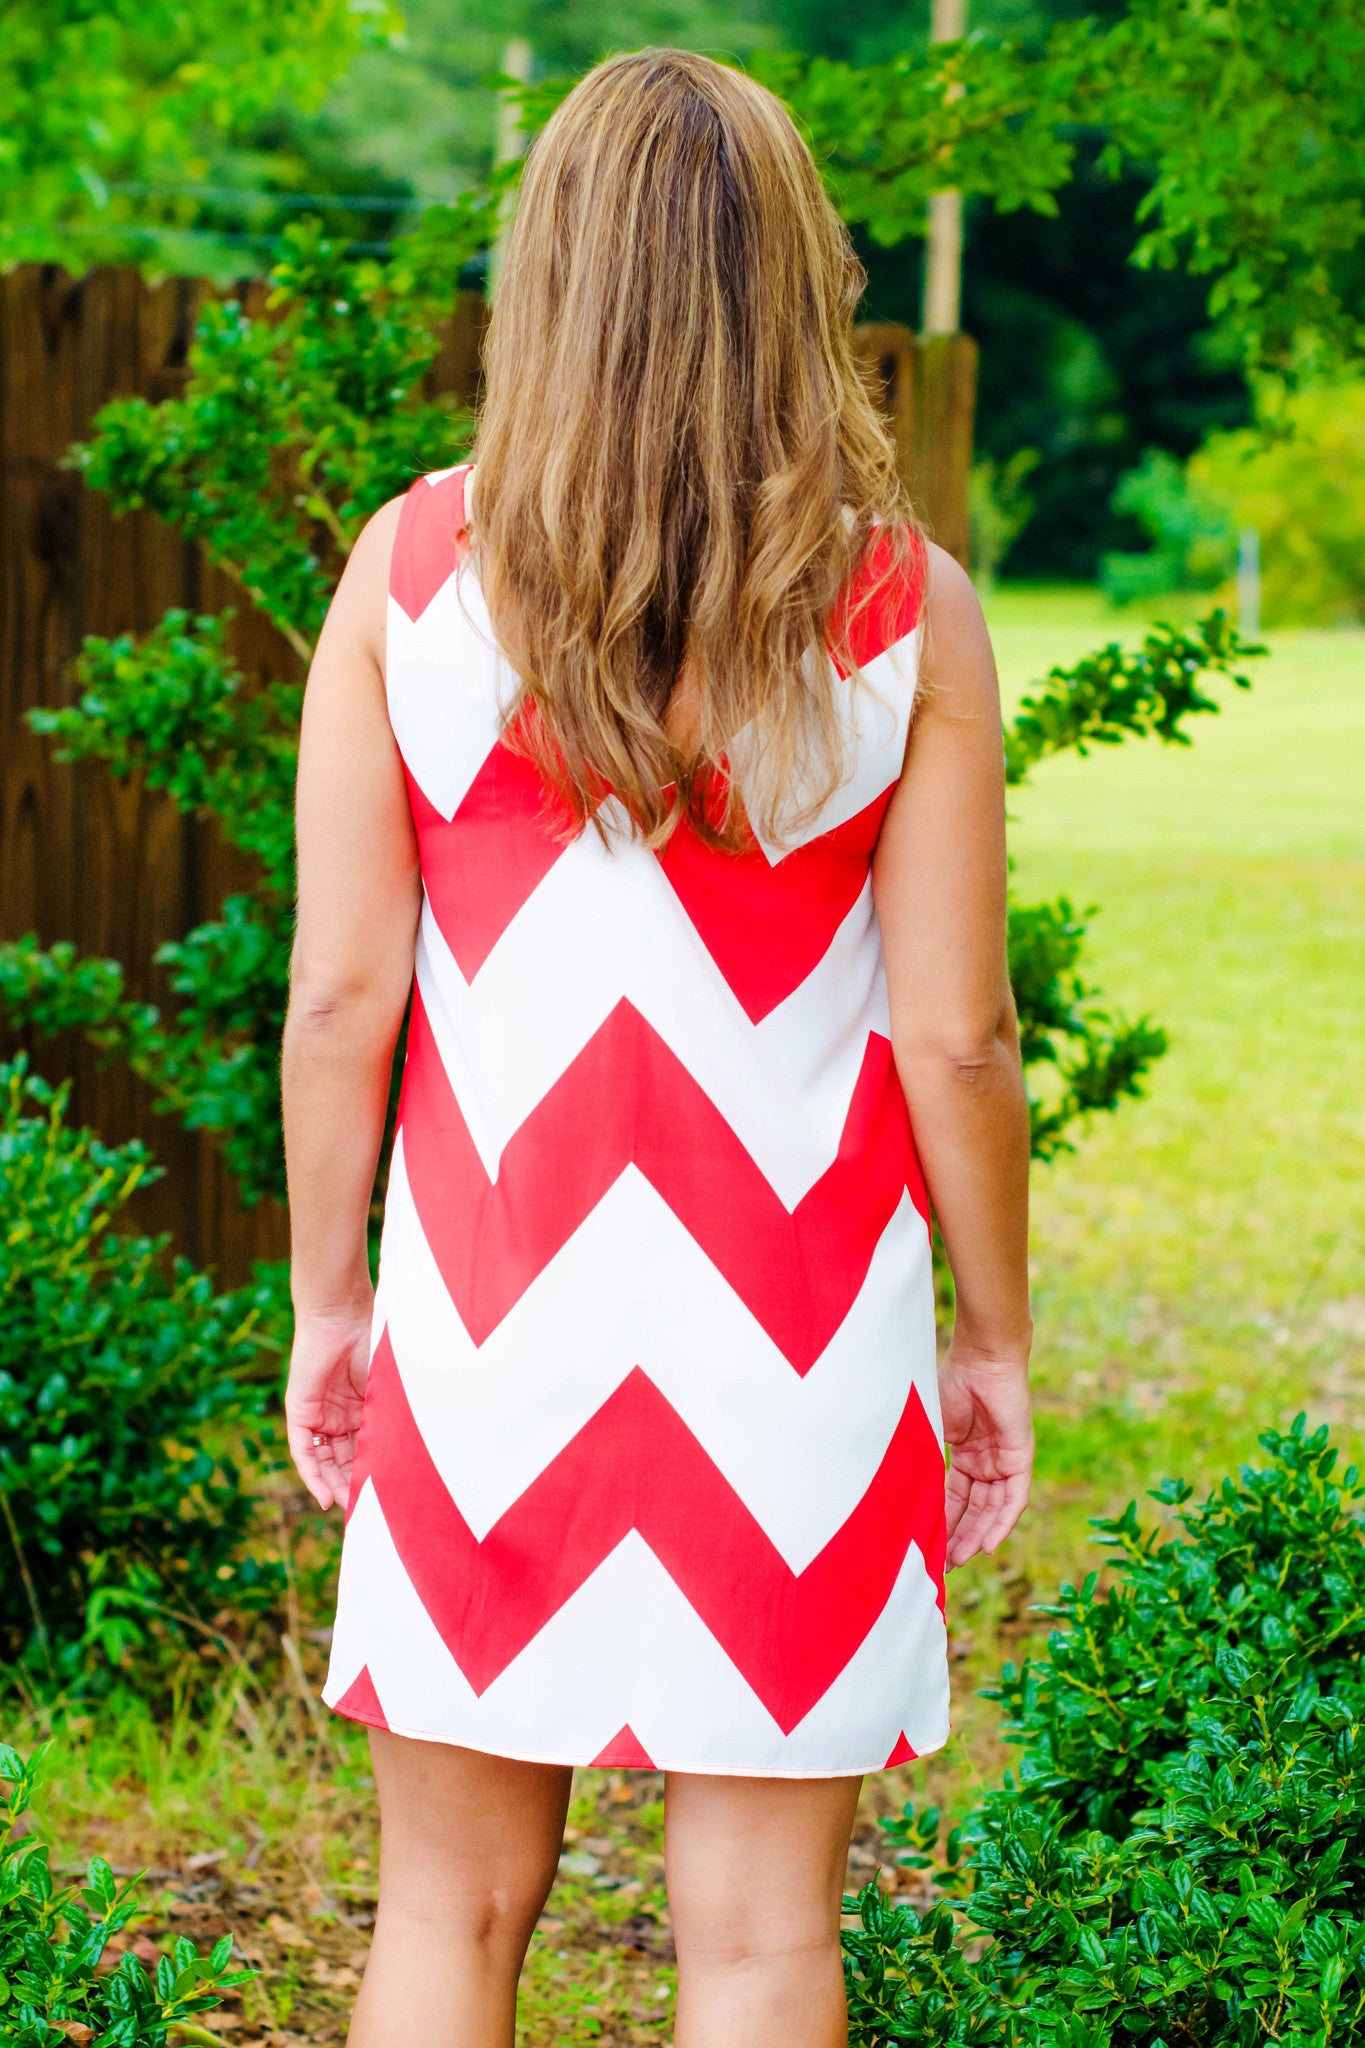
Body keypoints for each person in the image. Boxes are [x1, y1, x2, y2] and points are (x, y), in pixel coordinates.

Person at [280, 45, 1033, 2048]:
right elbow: (956, 1035)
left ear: (551, 278)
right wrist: (990, 1340)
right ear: (794, 280)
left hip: (486, 1331)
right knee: (764, 1941)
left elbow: (344, 997)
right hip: (794, 1358)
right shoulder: (903, 610)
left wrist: (326, 1297)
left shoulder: (409, 577)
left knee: (441, 1913)